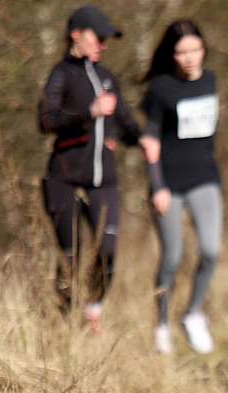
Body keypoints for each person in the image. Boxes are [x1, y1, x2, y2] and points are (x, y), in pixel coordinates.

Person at [38, 5, 152, 334]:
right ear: (76, 34)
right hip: (63, 180)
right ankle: (63, 324)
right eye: (98, 37)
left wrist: (143, 139)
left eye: (107, 39)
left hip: (104, 182)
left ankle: (93, 311)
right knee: (69, 257)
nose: (103, 43)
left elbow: (125, 121)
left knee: (107, 249)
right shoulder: (62, 73)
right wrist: (88, 111)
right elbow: (45, 119)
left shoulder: (107, 77)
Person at [140, 20, 222, 354]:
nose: (189, 58)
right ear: (172, 55)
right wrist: (156, 185)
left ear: (203, 49)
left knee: (211, 250)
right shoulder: (160, 89)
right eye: (181, 52)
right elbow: (149, 140)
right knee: (171, 257)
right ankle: (161, 325)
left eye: (194, 50)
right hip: (168, 185)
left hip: (204, 178)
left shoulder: (211, 80)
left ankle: (192, 314)